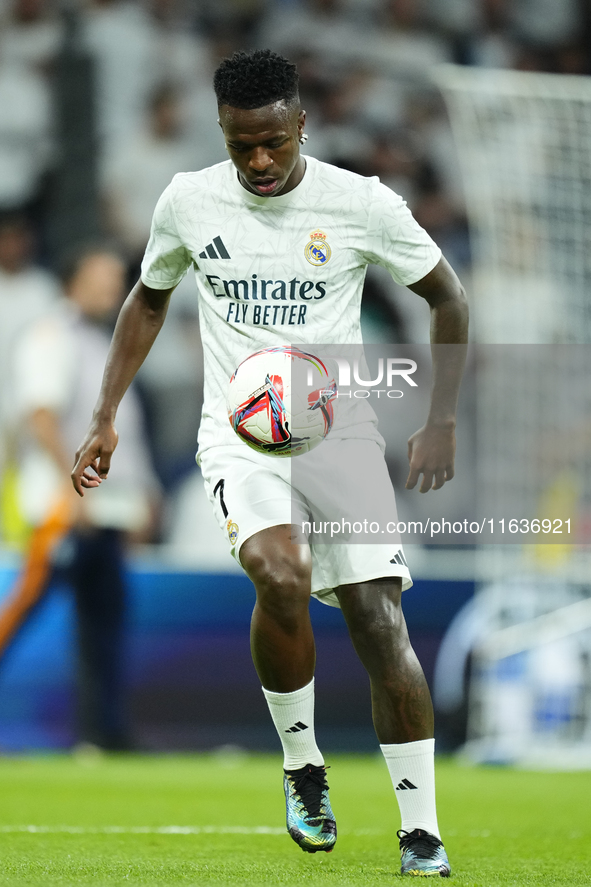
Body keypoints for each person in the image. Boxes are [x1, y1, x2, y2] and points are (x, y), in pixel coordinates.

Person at [71, 50, 468, 877]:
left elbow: (446, 295)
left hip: (341, 431)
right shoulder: (187, 199)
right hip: (240, 430)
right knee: (278, 571)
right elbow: (148, 296)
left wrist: (441, 419)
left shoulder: (359, 202)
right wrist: (106, 414)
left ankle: (420, 829)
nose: (257, 161)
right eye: (240, 143)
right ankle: (302, 766)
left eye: (272, 144)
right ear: (222, 128)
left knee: (377, 620)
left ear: (300, 126)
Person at [13, 244, 159, 749]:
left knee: (105, 625)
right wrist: (72, 492)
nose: (113, 288)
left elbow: (126, 431)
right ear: (71, 281)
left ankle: (104, 733)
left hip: (109, 509)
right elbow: (42, 416)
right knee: (21, 611)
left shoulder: (103, 341)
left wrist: (143, 497)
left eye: (117, 278)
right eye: (102, 277)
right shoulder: (53, 336)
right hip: (64, 508)